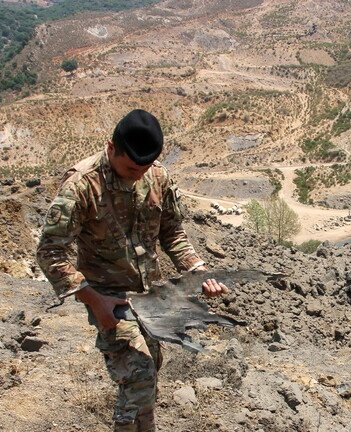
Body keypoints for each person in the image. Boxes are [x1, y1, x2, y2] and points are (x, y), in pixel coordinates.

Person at [36, 109, 228, 431]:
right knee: (139, 374)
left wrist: (198, 271)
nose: (138, 176)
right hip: (107, 296)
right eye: (130, 168)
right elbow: (50, 252)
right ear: (111, 148)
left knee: (151, 371)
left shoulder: (157, 177)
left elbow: (172, 232)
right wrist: (94, 300)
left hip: (148, 295)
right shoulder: (82, 185)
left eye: (145, 168)